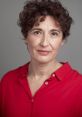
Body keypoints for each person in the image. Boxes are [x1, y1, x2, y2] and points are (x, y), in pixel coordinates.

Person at [0, 0, 82, 117]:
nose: (44, 43)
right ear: (25, 37)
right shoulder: (7, 82)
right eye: (37, 32)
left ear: (62, 40)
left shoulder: (79, 87)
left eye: (53, 33)